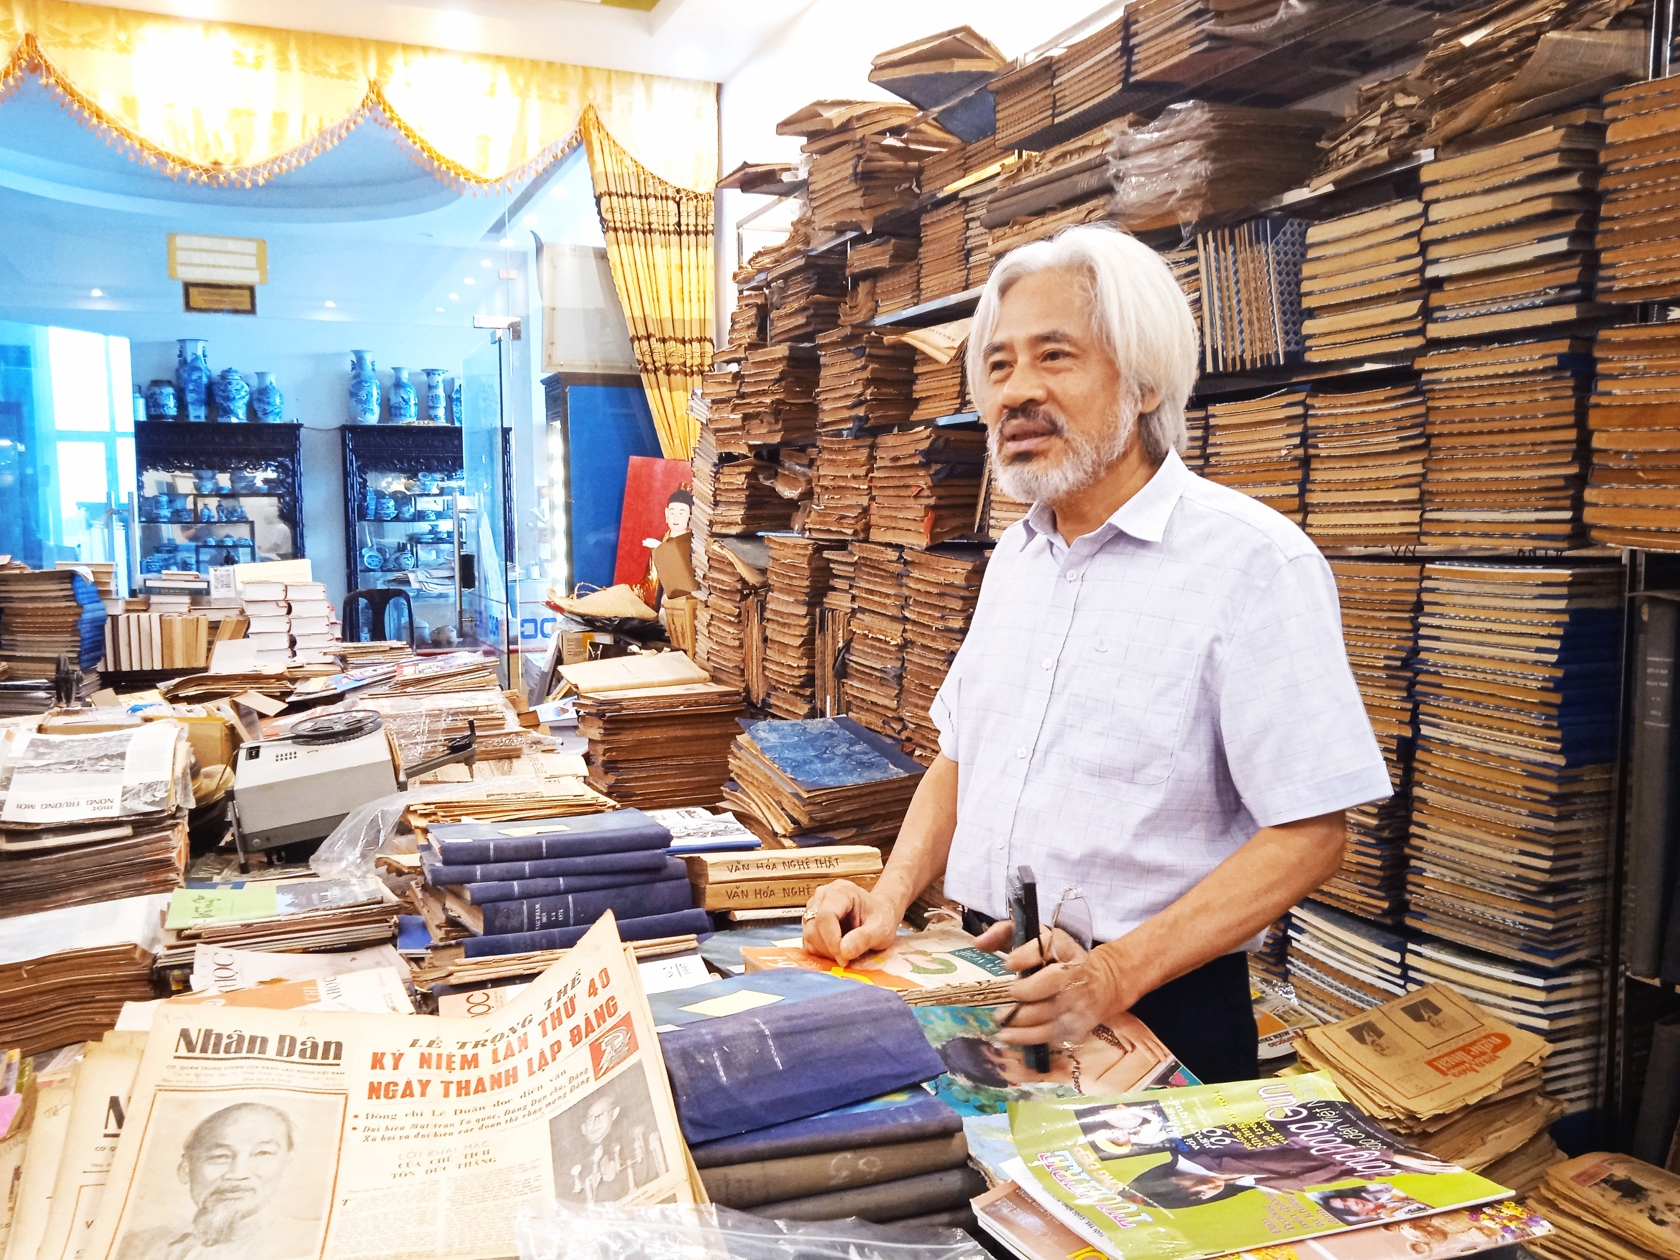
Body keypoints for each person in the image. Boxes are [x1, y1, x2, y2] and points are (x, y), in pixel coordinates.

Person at [800, 223, 1391, 1083]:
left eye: (1055, 357)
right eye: (997, 366)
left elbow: (1310, 831)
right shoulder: (1016, 557)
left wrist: (1113, 975)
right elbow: (964, 758)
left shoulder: (1252, 561)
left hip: (1161, 1004)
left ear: (1145, 382)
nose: (1017, 392)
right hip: (987, 976)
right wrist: (888, 899)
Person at [114, 1102, 316, 1260]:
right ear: (185, 1169)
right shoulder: (135, 1247)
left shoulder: (308, 1241)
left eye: (262, 1153)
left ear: (286, 1164)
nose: (237, 1173)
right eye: (220, 1156)